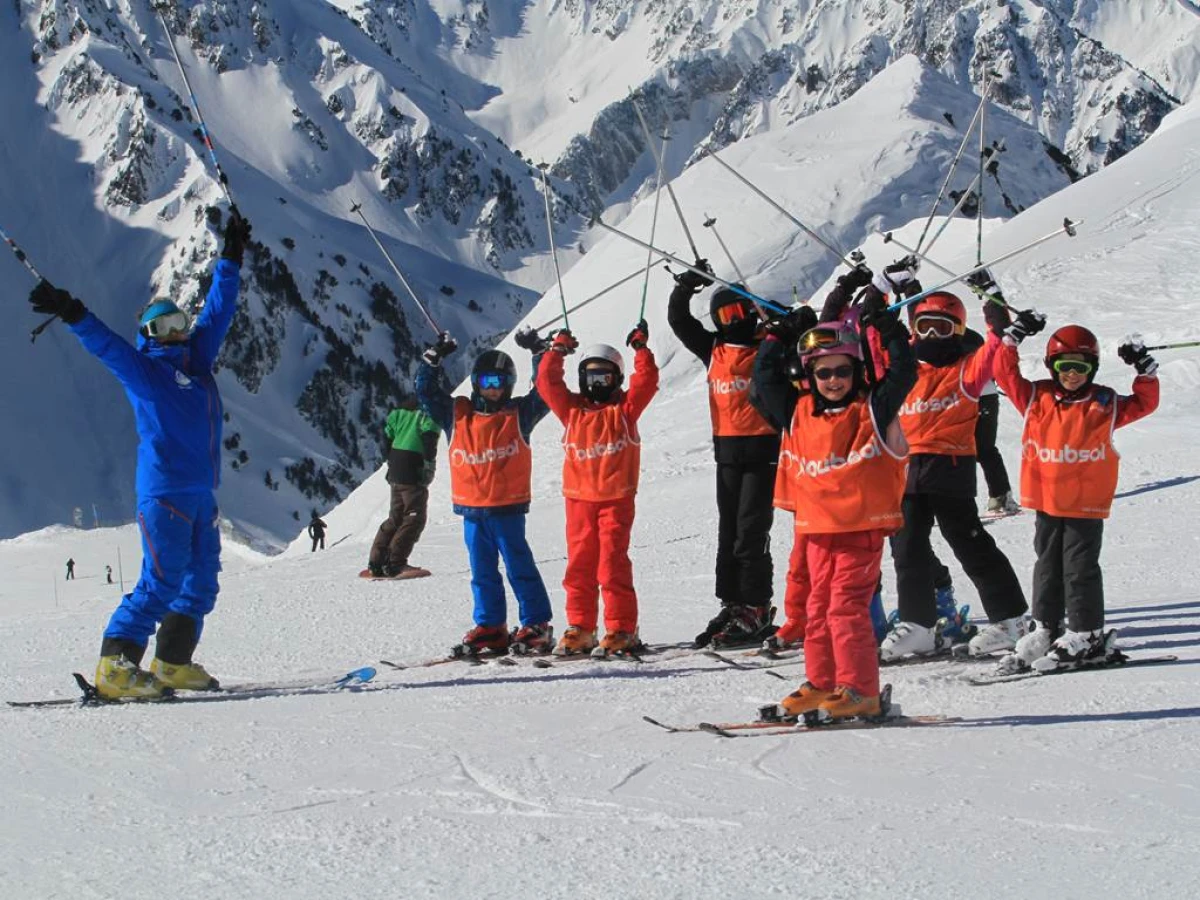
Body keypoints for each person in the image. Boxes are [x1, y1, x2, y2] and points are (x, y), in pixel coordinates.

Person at [28, 207, 251, 699]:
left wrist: (231, 257)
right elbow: (106, 347)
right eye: (166, 322)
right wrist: (72, 311)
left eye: (179, 318)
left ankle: (172, 661)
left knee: (201, 583)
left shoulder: (196, 361)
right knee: (162, 581)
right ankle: (116, 666)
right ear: (151, 335)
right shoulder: (147, 374)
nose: (179, 327)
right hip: (166, 492)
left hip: (200, 493)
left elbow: (219, 310)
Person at [754, 308, 917, 719]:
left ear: (856, 371)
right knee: (816, 609)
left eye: (842, 371)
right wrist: (776, 338)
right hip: (816, 531)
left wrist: (890, 329)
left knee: (845, 609)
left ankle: (861, 691)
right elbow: (763, 381)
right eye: (823, 374)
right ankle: (823, 682)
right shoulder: (799, 412)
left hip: (859, 531)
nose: (833, 381)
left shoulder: (873, 409)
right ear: (810, 376)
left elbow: (904, 373)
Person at [877, 273, 1034, 660]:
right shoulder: (903, 371)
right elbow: (872, 334)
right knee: (907, 548)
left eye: (942, 327)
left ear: (958, 330)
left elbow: (995, 343)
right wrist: (881, 289)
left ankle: (1011, 618)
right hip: (907, 469)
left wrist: (992, 297)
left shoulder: (967, 368)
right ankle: (918, 624)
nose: (931, 335)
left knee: (967, 540)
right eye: (923, 326)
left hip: (950, 467)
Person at [993, 318, 1159, 670]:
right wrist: (1011, 340)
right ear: (1052, 367)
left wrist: (1144, 371)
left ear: (1092, 369)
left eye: (1080, 368)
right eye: (1064, 366)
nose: (1072, 374)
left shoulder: (1104, 402)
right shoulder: (1036, 398)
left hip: (1086, 504)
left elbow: (1145, 403)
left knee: (1079, 568)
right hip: (1048, 501)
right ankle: (1046, 628)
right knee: (1047, 566)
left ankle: (1086, 632)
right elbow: (1005, 376)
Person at [417, 332, 555, 656]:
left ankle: (536, 624)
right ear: (475, 383)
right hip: (472, 511)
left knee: (519, 567)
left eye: (499, 381)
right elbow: (426, 392)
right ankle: (492, 626)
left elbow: (547, 392)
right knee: (481, 572)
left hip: (507, 509)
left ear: (509, 384)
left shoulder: (519, 414)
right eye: (485, 380)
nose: (492, 387)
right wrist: (433, 360)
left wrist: (540, 353)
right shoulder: (457, 414)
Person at [668, 263, 781, 648]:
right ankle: (733, 602)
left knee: (751, 531)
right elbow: (679, 321)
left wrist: (777, 315)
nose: (731, 322)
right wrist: (686, 287)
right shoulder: (714, 349)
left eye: (738, 313)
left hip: (763, 451)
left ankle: (756, 605)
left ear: (752, 312)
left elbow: (801, 328)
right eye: (723, 316)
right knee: (728, 532)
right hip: (727, 452)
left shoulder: (769, 347)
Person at [536, 323, 659, 656]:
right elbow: (547, 384)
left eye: (604, 377)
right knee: (579, 565)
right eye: (591, 377)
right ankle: (581, 627)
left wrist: (641, 351)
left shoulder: (624, 411)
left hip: (615, 501)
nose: (597, 384)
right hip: (579, 502)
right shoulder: (572, 411)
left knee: (611, 564)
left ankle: (621, 628)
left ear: (617, 379)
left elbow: (646, 383)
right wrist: (556, 352)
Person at [364, 397, 440, 578]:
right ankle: (395, 563)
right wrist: (428, 465)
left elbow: (387, 435)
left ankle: (377, 562)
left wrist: (391, 461)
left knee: (396, 517)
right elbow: (429, 440)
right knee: (414, 516)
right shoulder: (430, 411)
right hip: (412, 465)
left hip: (396, 465)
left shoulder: (400, 410)